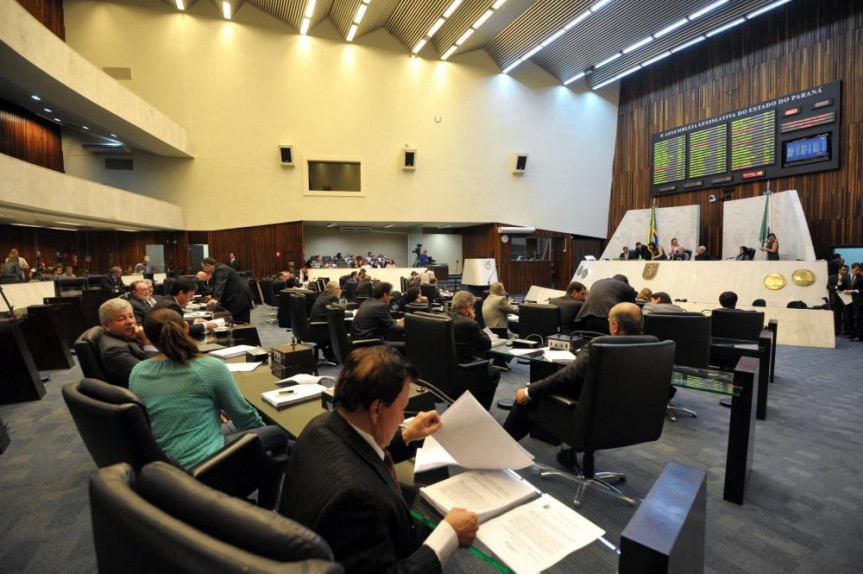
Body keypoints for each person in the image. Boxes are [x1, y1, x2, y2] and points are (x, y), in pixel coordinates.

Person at [279, 346, 478, 573]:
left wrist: (406, 434)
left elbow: (362, 449)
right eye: (402, 408)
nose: (403, 417)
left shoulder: (320, 425)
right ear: (376, 410)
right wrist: (449, 537)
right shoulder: (357, 500)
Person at [129, 309, 288, 489]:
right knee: (277, 435)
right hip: (206, 466)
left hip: (164, 467)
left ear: (147, 337)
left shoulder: (138, 371)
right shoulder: (209, 367)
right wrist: (260, 438)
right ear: (186, 327)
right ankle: (268, 508)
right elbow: (245, 418)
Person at [503, 303, 648, 453]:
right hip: (630, 419)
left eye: (609, 321)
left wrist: (529, 391)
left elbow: (567, 377)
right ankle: (567, 451)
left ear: (615, 326)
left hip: (588, 418)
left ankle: (501, 449)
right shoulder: (655, 348)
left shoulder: (598, 348)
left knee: (528, 397)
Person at [447, 291, 500, 409]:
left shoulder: (440, 318)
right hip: (463, 371)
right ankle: (480, 409)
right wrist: (474, 321)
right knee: (494, 373)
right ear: (469, 307)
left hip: (442, 372)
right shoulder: (469, 323)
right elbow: (486, 344)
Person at [97, 298, 158, 387]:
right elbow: (151, 374)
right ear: (106, 325)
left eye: (131, 316)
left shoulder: (125, 335)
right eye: (121, 319)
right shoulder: (113, 350)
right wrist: (146, 341)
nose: (130, 322)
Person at [153, 278, 219, 337]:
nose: (192, 298)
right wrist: (205, 326)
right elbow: (180, 329)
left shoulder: (167, 299)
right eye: (190, 296)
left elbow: (176, 323)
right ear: (181, 293)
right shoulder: (172, 306)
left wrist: (194, 321)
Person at [201, 257, 253, 324]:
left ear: (208, 265)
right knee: (236, 321)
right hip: (237, 297)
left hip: (240, 299)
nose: (203, 270)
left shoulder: (220, 269)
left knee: (241, 323)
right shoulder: (219, 269)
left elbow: (220, 284)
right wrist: (212, 296)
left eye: (203, 268)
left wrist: (215, 298)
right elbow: (221, 285)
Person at [350, 282, 404, 346]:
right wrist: (413, 327)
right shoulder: (381, 306)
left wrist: (397, 321)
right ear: (385, 295)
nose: (391, 297)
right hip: (370, 343)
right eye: (391, 295)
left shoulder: (367, 301)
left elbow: (384, 320)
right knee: (409, 346)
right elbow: (393, 328)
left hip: (359, 340)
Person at [828, 264, 852, 335]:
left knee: (847, 316)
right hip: (835, 299)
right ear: (839, 270)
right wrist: (837, 287)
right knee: (836, 316)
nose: (846, 271)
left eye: (847, 270)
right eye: (844, 270)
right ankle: (836, 331)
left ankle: (846, 331)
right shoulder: (832, 277)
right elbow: (828, 286)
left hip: (847, 299)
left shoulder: (849, 277)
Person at [845, 263, 863, 341]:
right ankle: (852, 334)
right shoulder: (845, 277)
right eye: (856, 270)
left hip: (858, 301)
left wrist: (853, 291)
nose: (857, 271)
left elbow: (862, 290)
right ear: (852, 269)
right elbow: (841, 288)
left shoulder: (861, 278)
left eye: (859, 270)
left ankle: (860, 336)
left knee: (858, 319)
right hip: (847, 301)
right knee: (848, 318)